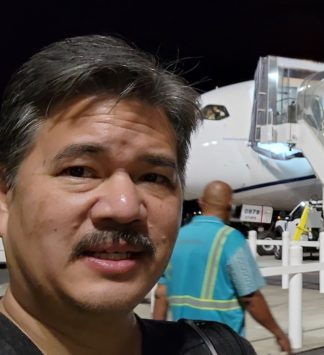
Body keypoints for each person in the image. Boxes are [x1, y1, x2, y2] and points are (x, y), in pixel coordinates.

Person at [0, 35, 255, 354]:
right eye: (79, 171)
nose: (124, 207)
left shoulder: (221, 349)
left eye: (153, 177)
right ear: (5, 196)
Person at [154, 180, 291, 353]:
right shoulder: (230, 239)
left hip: (184, 344)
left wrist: (158, 341)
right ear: (229, 206)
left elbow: (161, 295)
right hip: (224, 345)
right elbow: (251, 298)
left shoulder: (178, 237)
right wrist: (278, 333)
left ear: (201, 202)